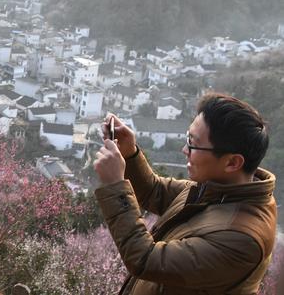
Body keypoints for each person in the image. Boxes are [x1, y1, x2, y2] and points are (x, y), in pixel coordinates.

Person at [93, 93, 276, 294]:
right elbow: (155, 191)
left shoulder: (241, 239)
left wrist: (115, 185)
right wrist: (129, 153)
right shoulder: (219, 190)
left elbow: (145, 259)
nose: (184, 149)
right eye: (187, 138)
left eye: (193, 143)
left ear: (232, 162)